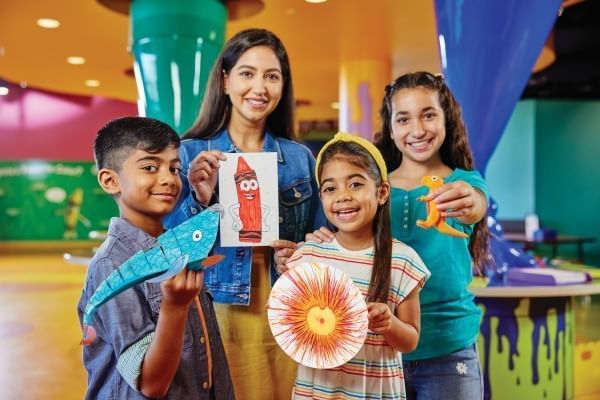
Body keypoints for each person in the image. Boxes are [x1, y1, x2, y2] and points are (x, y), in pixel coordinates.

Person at [164, 28, 326, 400]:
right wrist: (200, 201)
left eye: (272, 76)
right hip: (212, 307)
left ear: (283, 86)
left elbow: (321, 243)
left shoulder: (300, 159)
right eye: (247, 73)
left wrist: (303, 253)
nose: (260, 87)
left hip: (284, 306)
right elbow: (170, 251)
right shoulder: (189, 155)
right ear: (224, 79)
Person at [77, 117, 234, 400]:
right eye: (150, 167)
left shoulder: (175, 247)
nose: (168, 179)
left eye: (174, 168)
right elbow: (151, 385)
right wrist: (174, 307)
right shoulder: (110, 265)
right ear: (110, 180)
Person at [283, 132, 430, 399]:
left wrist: (389, 324)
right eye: (330, 188)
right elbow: (290, 327)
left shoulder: (402, 260)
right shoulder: (308, 257)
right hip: (316, 392)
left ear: (382, 192)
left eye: (355, 184)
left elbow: (411, 340)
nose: (342, 196)